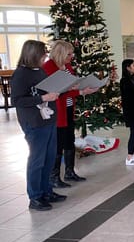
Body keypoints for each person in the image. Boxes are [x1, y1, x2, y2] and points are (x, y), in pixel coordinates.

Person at [12, 40, 66, 211]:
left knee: (49, 158)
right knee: (37, 160)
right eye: (43, 53)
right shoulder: (21, 74)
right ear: (34, 54)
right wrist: (43, 98)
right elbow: (17, 100)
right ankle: (35, 196)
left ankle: (46, 191)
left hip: (48, 119)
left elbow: (44, 89)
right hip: (34, 122)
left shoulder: (40, 70)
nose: (46, 56)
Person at [43, 40, 98, 188]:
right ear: (60, 53)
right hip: (56, 109)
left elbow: (70, 87)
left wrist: (82, 90)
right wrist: (70, 88)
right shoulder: (48, 67)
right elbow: (50, 90)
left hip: (68, 107)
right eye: (69, 54)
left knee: (69, 140)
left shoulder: (67, 66)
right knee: (58, 143)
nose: (71, 57)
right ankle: (54, 177)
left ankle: (69, 171)